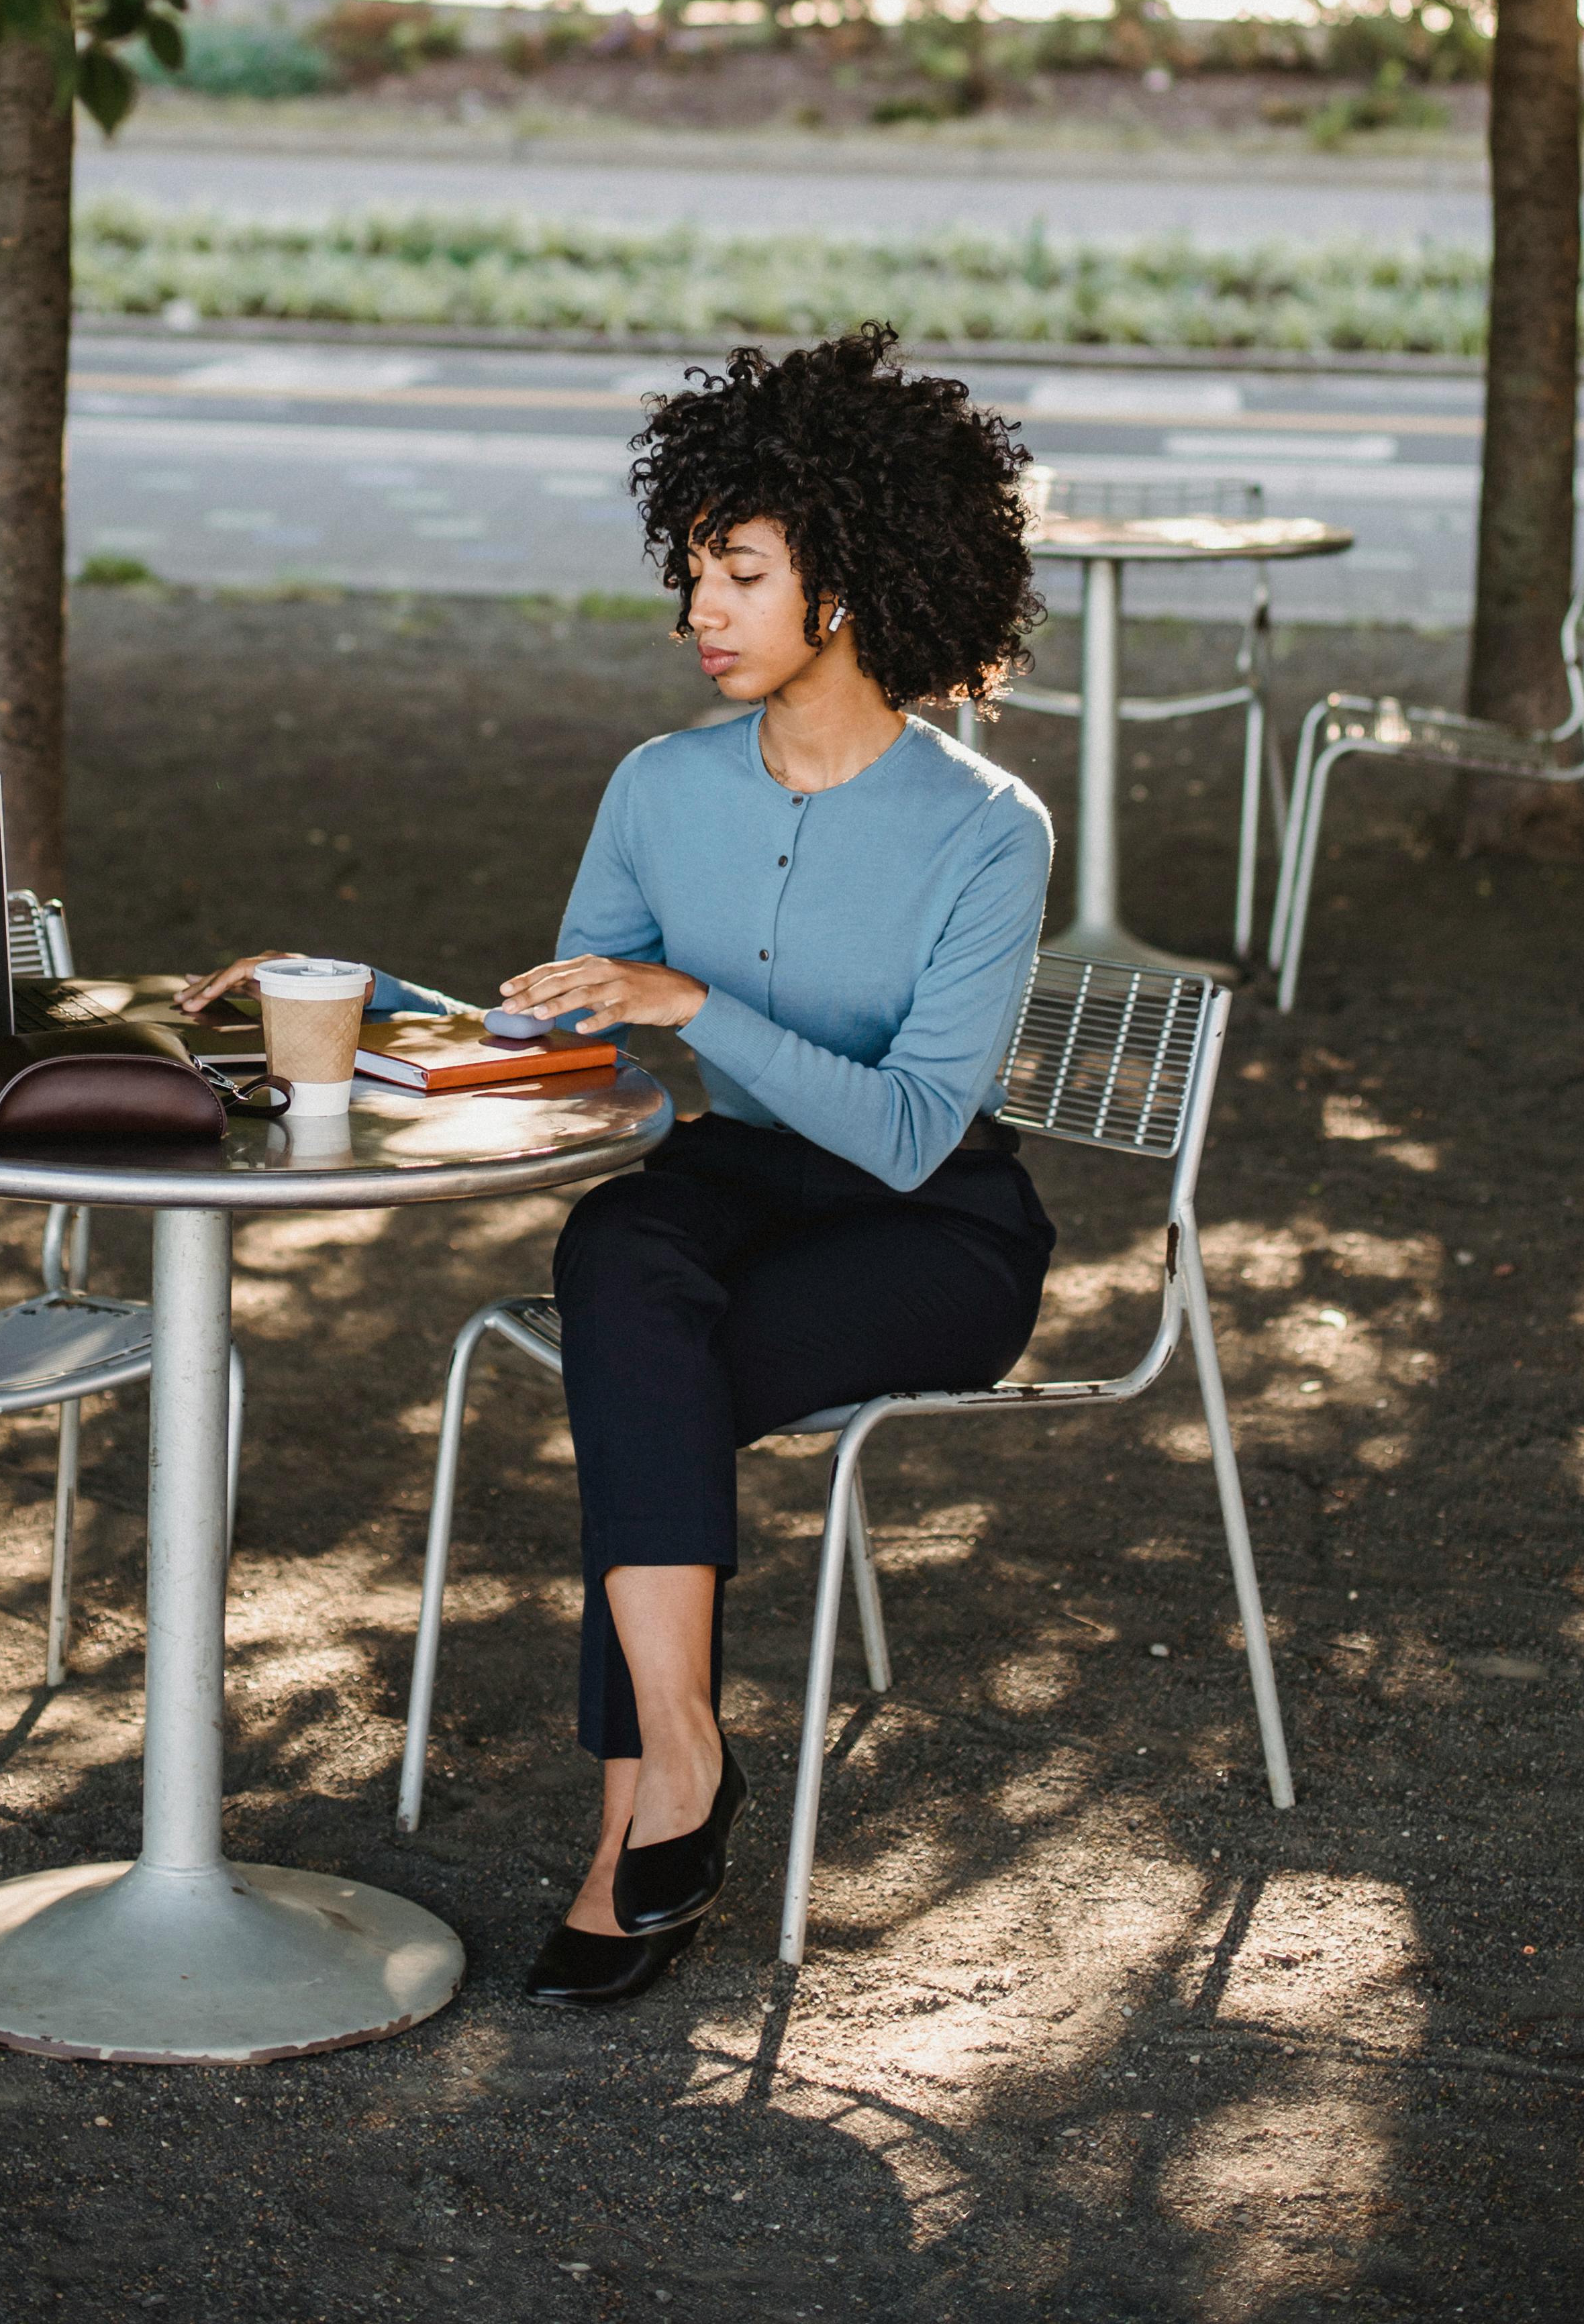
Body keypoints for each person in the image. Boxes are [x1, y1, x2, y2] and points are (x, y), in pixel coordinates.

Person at [501, 324, 1056, 2007]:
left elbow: (901, 1128)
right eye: (690, 575)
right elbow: (570, 1028)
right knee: (618, 1253)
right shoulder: (657, 786)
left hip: (930, 1226)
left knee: (636, 1379)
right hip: (734, 1183)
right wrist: (359, 1003)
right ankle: (683, 1761)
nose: (700, 616)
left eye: (739, 573)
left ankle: (629, 1846)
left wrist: (695, 1003)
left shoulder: (984, 829)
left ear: (852, 577)